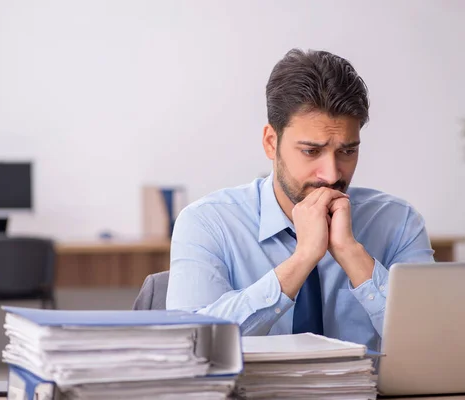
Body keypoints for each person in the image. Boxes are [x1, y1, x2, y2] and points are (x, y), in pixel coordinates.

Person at [166, 48, 435, 351]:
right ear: (271, 142)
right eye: (311, 151)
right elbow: (190, 345)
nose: (332, 174)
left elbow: (434, 345)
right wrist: (303, 259)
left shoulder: (398, 222)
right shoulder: (207, 221)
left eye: (347, 151)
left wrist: (351, 253)